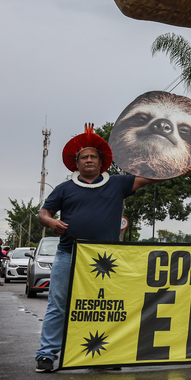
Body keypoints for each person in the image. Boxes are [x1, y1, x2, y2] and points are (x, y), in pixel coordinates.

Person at [35, 124, 157, 373]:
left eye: (93, 157)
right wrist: (50, 222)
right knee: (58, 305)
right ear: (76, 163)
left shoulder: (118, 184)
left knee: (105, 308)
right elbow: (43, 213)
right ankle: (46, 355)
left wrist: (177, 167)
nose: (89, 160)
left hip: (106, 261)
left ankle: (104, 355)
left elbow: (153, 177)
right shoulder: (64, 189)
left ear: (102, 162)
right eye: (84, 157)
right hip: (68, 255)